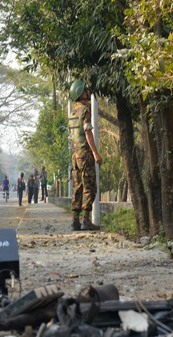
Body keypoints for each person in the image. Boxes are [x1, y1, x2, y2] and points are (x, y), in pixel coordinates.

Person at [68, 80, 103, 231]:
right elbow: (88, 132)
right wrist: (95, 153)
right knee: (89, 186)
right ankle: (86, 221)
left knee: (77, 187)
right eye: (85, 90)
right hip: (85, 155)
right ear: (80, 93)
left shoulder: (72, 112)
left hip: (75, 155)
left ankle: (75, 221)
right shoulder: (85, 110)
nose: (87, 92)